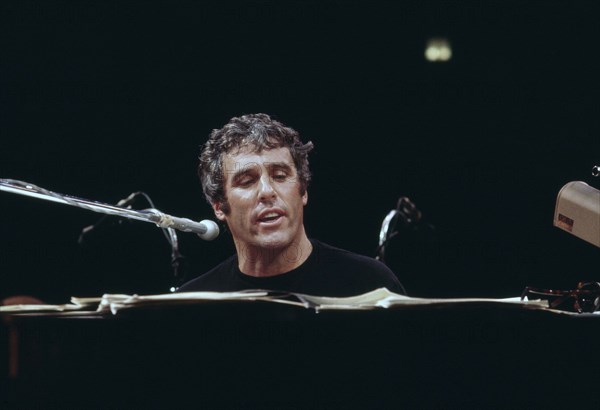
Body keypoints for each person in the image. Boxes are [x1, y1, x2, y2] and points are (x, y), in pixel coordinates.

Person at [177, 113, 406, 296]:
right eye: (247, 181)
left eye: (280, 176)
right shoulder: (192, 303)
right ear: (218, 206)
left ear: (303, 190)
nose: (267, 192)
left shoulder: (370, 284)